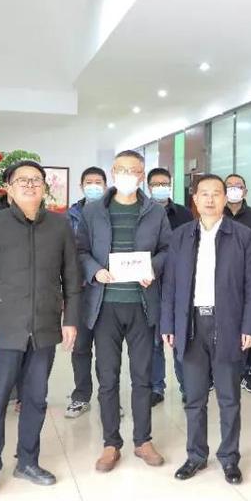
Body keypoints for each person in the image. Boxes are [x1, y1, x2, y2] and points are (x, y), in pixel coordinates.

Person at [0, 160, 82, 499]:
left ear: (44, 187)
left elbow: (72, 276)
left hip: (44, 328)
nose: (30, 185)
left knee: (35, 399)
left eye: (36, 180)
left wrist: (71, 319)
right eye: (22, 180)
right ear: (8, 187)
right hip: (4, 330)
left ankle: (28, 461)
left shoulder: (60, 225)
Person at [161, 174, 251, 484]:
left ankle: (229, 458)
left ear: (225, 198)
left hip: (228, 324)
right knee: (194, 397)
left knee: (229, 398)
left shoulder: (242, 235)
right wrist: (168, 323)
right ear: (194, 198)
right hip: (190, 324)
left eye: (216, 193)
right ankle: (196, 455)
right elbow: (170, 284)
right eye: (204, 193)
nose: (210, 199)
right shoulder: (181, 236)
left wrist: (249, 325)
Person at [77, 150, 171, 473]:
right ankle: (110, 443)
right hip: (105, 306)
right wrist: (95, 271)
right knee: (107, 377)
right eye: (121, 170)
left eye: (134, 171)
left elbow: (167, 249)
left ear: (142, 176)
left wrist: (153, 268)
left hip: (142, 305)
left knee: (143, 376)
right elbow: (80, 250)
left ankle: (143, 440)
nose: (127, 175)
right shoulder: (93, 211)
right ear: (113, 172)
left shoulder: (155, 212)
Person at [65, 165, 108, 420]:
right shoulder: (69, 216)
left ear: (105, 185)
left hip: (106, 289)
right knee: (81, 347)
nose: (93, 186)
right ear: (81, 186)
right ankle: (81, 396)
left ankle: (109, 398)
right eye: (89, 182)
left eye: (98, 182)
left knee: (106, 350)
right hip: (79, 290)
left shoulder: (112, 212)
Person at [147, 167, 193, 406]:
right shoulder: (142, 212)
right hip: (150, 282)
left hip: (180, 283)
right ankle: (156, 387)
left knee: (180, 337)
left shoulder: (184, 214)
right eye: (156, 184)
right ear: (148, 187)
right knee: (154, 340)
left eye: (164, 183)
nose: (160, 187)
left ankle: (187, 387)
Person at [224, 172, 251, 394]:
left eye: (238, 186)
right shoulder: (215, 214)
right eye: (229, 186)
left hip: (247, 281)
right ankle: (216, 373)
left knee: (246, 329)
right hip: (220, 281)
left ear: (245, 191)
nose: (233, 189)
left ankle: (245, 372)